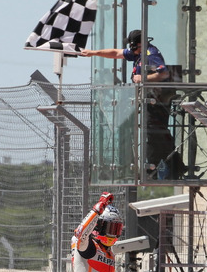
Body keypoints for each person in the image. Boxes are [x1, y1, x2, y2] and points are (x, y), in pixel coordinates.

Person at [80, 30, 186, 179]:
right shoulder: (138, 53)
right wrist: (94, 52)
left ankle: (166, 167)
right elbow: (116, 53)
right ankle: (169, 166)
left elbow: (164, 73)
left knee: (155, 132)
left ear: (140, 44)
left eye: (133, 47)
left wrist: (143, 77)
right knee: (151, 132)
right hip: (151, 98)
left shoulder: (151, 54)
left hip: (160, 98)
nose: (132, 51)